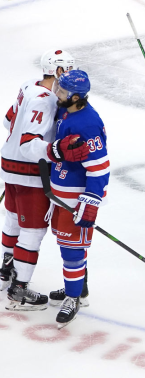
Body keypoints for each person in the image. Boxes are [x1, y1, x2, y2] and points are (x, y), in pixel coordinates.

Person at [2, 50, 89, 311]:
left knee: (13, 221)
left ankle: (6, 270)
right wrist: (57, 150)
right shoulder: (46, 100)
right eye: (69, 71)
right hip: (29, 173)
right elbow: (30, 145)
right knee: (33, 231)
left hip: (9, 164)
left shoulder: (29, 85)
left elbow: (8, 121)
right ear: (59, 72)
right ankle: (19, 288)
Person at [46, 70, 108, 328]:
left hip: (75, 199)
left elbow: (99, 167)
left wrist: (90, 201)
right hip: (60, 195)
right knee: (66, 245)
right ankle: (77, 288)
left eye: (61, 91)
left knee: (72, 251)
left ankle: (73, 297)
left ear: (75, 97)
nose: (56, 94)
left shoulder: (88, 124)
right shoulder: (66, 110)